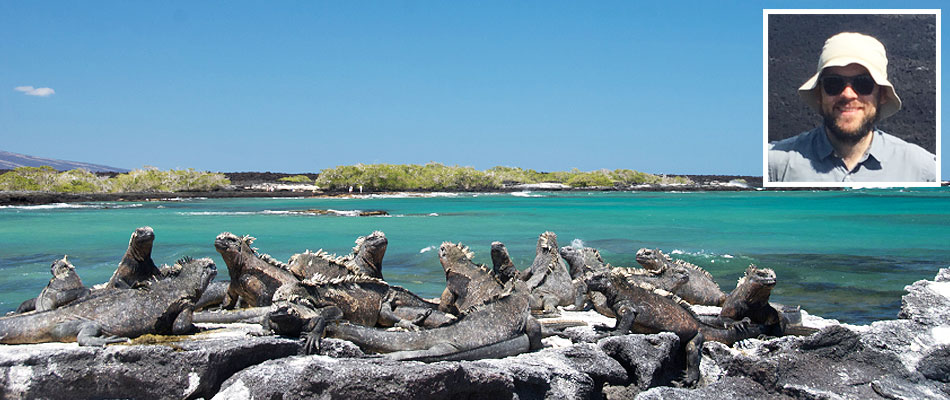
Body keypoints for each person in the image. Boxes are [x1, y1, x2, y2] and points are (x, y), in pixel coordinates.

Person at [768, 32, 935, 183]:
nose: (848, 94)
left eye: (864, 84)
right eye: (834, 83)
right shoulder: (775, 165)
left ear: (882, 94)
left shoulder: (923, 171)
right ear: (820, 94)